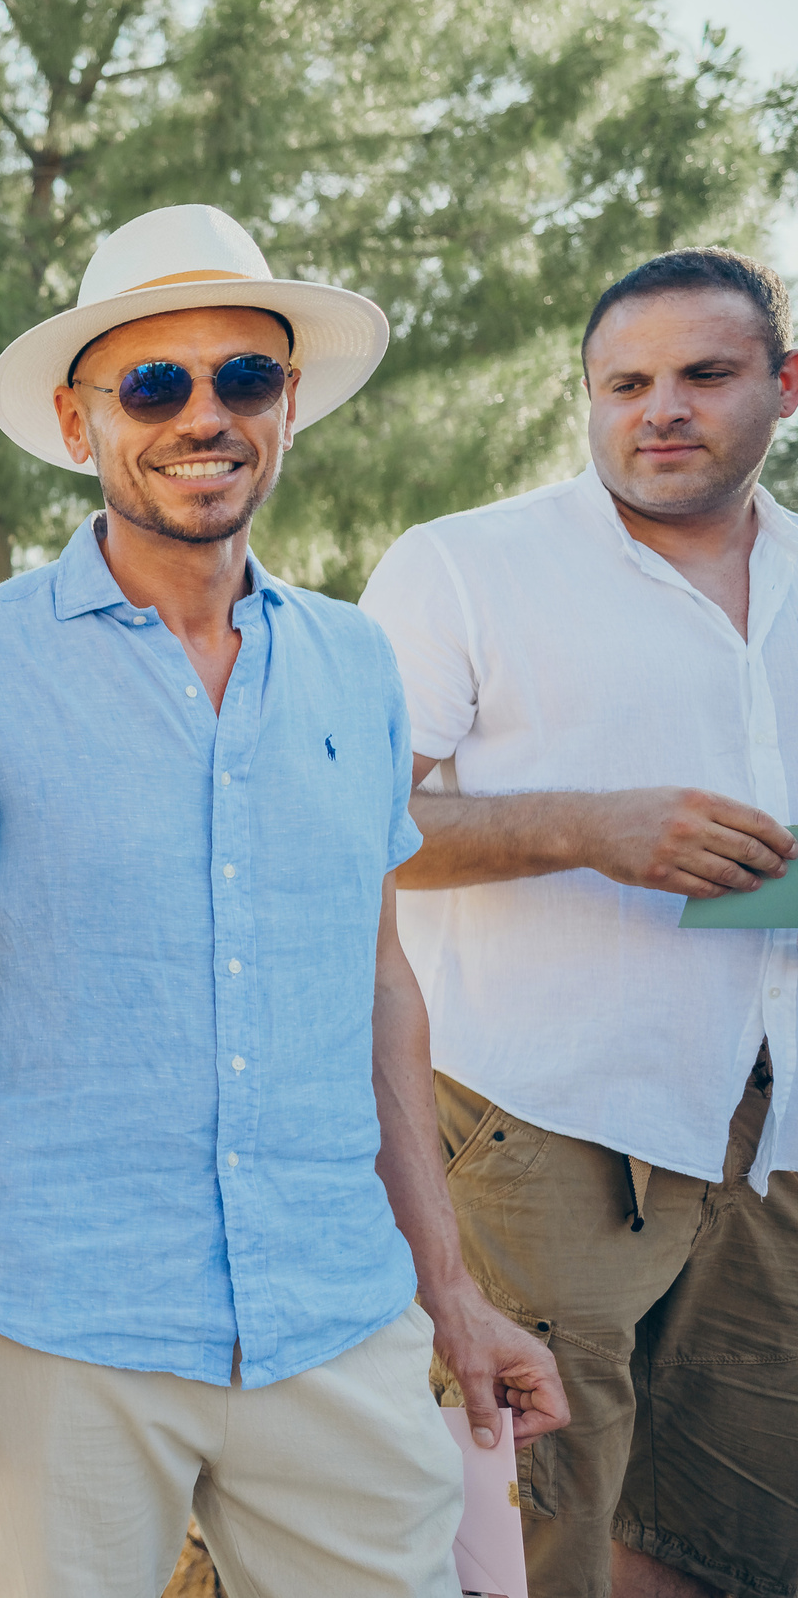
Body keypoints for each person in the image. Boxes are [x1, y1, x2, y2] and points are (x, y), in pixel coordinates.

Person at [0, 204, 570, 1598]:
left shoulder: (359, 665)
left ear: (288, 405)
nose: (204, 417)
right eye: (156, 385)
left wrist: (452, 1292)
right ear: (78, 420)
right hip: (63, 1323)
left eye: (245, 379)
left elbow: (380, 992)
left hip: (338, 1323)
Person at [359, 246, 798, 1598]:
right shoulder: (462, 569)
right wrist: (589, 829)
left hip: (773, 1126)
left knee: (724, 1529)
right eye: (625, 383)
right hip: (534, 1117)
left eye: (703, 376)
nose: (658, 408)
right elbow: (345, 829)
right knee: (535, 1522)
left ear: (785, 388)